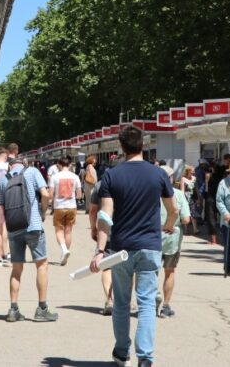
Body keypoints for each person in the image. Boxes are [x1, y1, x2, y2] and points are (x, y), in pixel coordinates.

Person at [91, 125, 176, 367]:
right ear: (143, 145)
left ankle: (121, 352)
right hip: (150, 245)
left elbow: (105, 217)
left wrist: (99, 251)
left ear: (121, 147)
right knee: (147, 302)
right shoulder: (158, 175)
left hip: (121, 249)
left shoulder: (112, 176)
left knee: (121, 302)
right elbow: (173, 209)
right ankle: (145, 357)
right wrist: (168, 225)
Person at [1, 157, 58, 322]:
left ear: (10, 166)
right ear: (23, 163)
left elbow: (2, 206)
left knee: (16, 269)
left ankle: (13, 310)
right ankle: (42, 309)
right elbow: (45, 194)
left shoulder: (4, 180)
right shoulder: (32, 172)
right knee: (41, 265)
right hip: (33, 226)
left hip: (13, 228)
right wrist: (43, 212)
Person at [158, 165, 191, 318]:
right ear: (170, 178)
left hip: (153, 237)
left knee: (149, 272)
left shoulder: (150, 194)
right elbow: (185, 219)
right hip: (172, 238)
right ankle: (165, 305)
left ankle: (153, 297)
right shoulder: (177, 194)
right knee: (169, 271)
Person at [87, 176, 114, 316]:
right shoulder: (127, 180)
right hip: (125, 230)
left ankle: (109, 300)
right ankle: (124, 301)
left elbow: (93, 210)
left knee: (106, 266)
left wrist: (93, 229)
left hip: (105, 230)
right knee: (126, 266)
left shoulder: (99, 185)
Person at [50, 156, 82, 266]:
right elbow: (79, 195)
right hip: (71, 206)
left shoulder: (55, 177)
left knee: (59, 230)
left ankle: (64, 250)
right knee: (68, 231)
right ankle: (65, 253)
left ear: (59, 164)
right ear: (69, 165)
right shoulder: (75, 177)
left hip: (59, 206)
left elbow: (50, 194)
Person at [180, 166, 198, 235]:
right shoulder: (183, 179)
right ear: (188, 171)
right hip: (185, 198)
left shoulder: (194, 178)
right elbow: (182, 190)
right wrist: (182, 199)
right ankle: (186, 229)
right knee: (185, 214)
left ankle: (195, 229)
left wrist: (198, 198)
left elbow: (196, 189)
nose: (194, 172)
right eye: (192, 170)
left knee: (193, 213)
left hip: (192, 198)